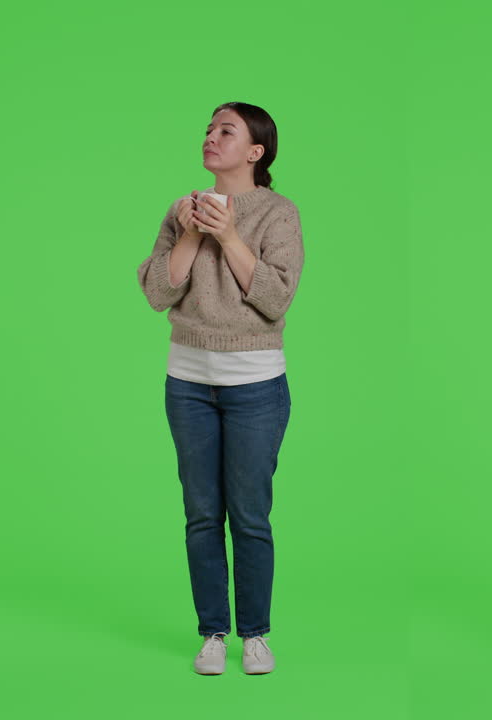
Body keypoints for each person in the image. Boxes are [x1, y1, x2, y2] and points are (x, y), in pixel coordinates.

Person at [137, 102, 303, 676]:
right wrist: (188, 235)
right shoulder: (181, 209)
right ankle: (212, 632)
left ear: (255, 151)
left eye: (225, 131)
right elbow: (157, 293)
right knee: (202, 513)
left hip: (255, 386)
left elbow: (276, 298)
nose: (211, 137)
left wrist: (230, 236)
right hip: (186, 382)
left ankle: (254, 634)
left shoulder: (278, 214)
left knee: (250, 515)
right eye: (208, 129)